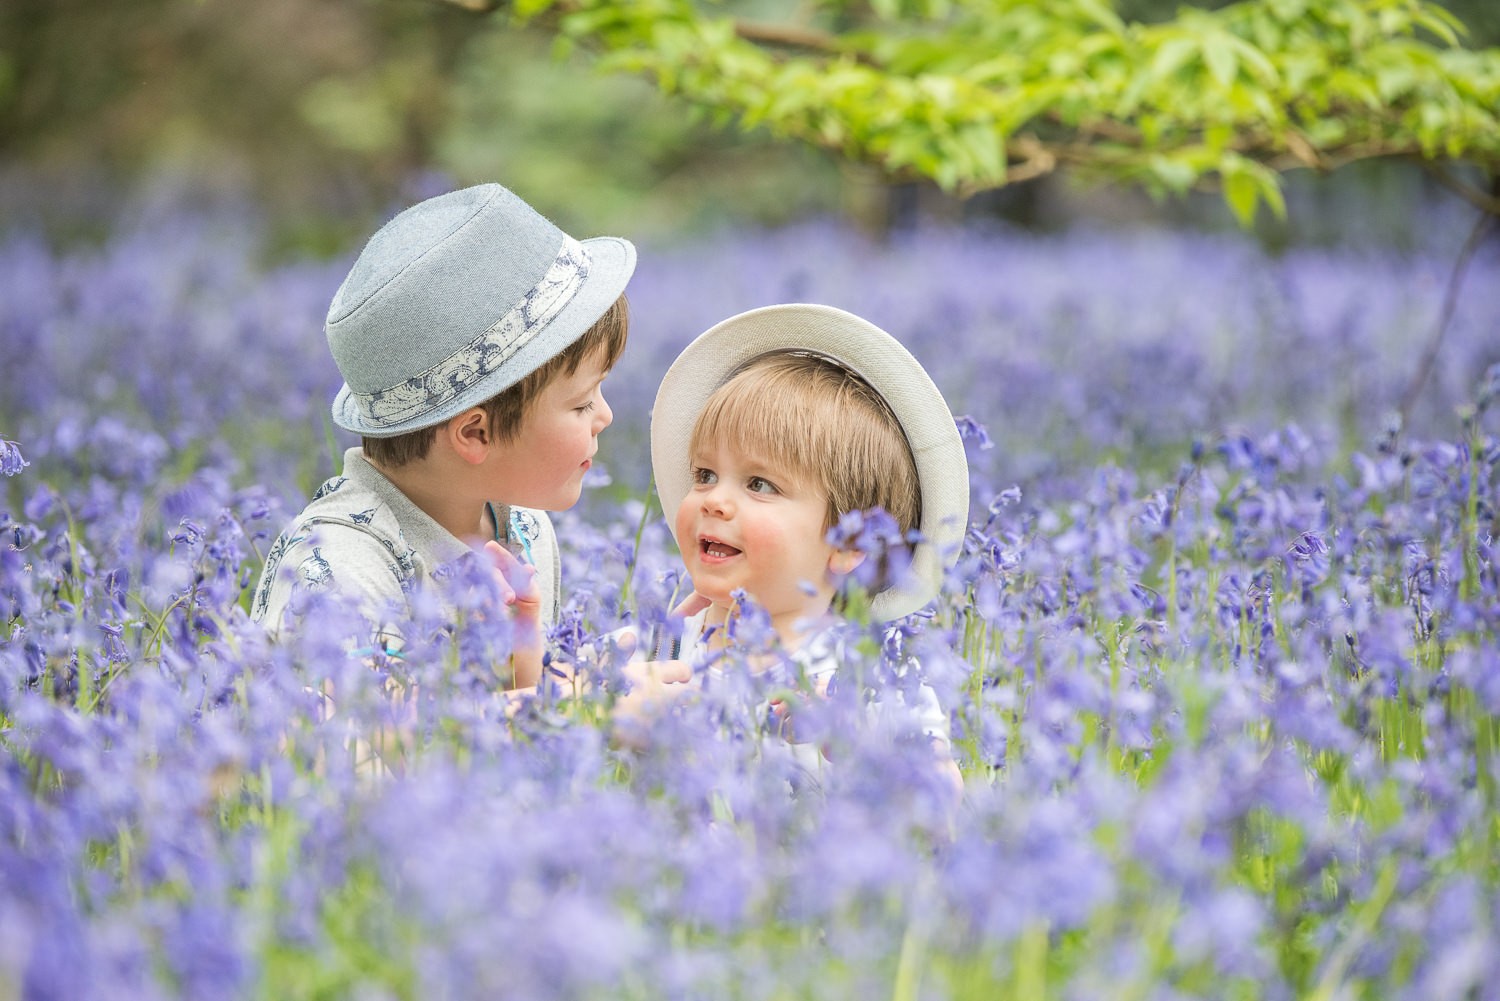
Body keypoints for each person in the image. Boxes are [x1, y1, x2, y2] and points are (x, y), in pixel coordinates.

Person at [252, 182, 634, 691]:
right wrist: (575, 704)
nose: (604, 416)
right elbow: (349, 752)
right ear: (476, 433)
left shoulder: (524, 530)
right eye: (583, 402)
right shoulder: (337, 571)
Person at [633, 303, 971, 787]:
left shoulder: (875, 675)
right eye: (705, 475)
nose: (715, 501)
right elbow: (543, 720)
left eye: (759, 485)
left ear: (851, 542)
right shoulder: (659, 648)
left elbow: (943, 808)